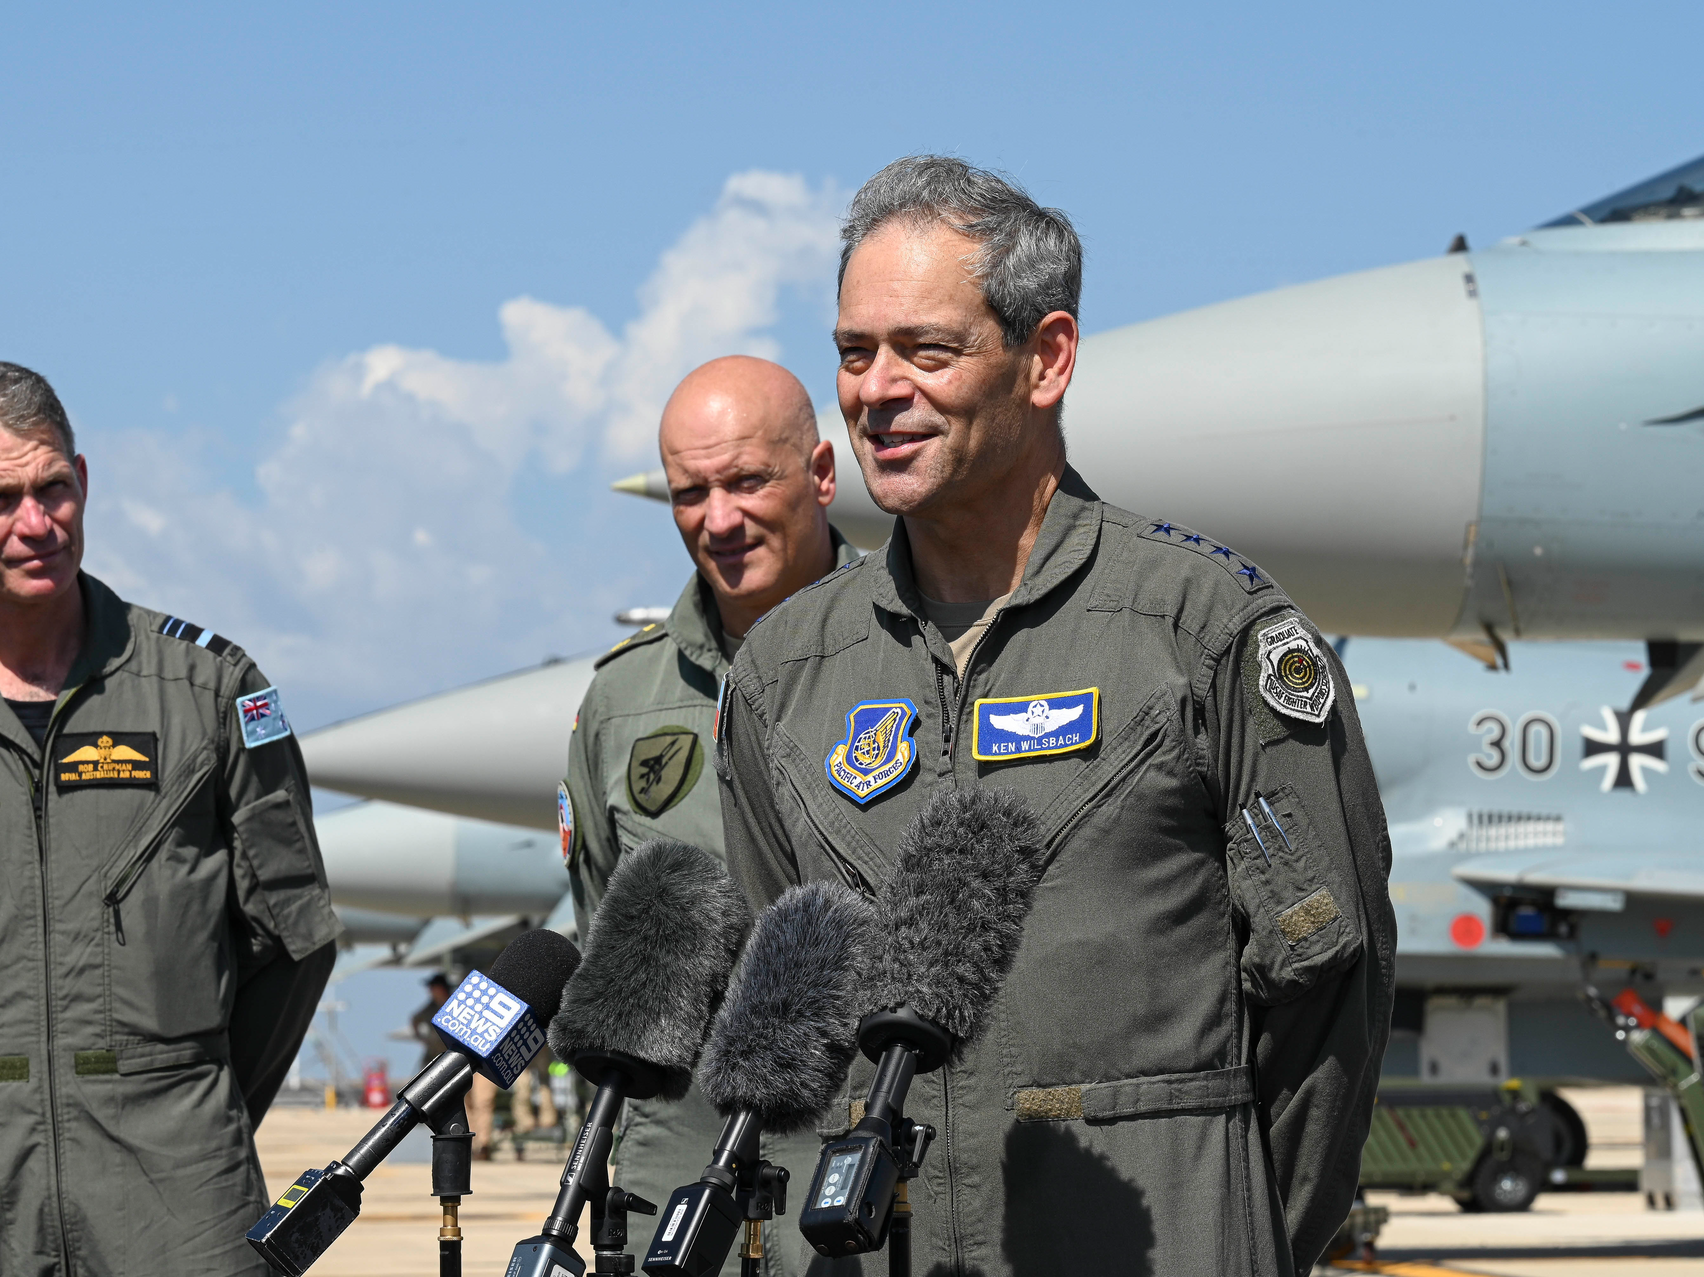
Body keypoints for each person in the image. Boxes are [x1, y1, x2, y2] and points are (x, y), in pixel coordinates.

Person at [717, 158, 1394, 1277]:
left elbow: (1329, 983)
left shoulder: (1205, 631)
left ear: (1048, 358)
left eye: (925, 350)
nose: (876, 389)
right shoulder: (787, 669)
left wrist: (1227, 1228)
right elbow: (776, 988)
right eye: (853, 351)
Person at [0, 361, 340, 1276]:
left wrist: (187, 1098)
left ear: (84, 480)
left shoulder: (210, 692)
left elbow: (292, 942)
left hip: (180, 1201)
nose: (37, 523)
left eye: (54, 486)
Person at [563, 354, 858, 1273]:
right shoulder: (622, 701)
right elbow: (605, 941)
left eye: (745, 481)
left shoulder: (919, 658)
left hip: (863, 1180)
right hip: (669, 1192)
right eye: (691, 492)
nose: (718, 519)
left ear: (819, 474)